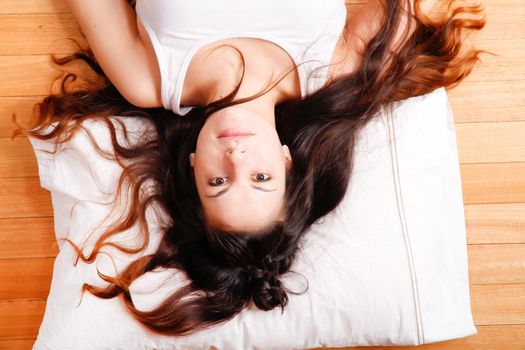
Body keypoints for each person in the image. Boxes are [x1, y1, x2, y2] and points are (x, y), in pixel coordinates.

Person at [16, 0, 485, 337]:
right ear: (286, 160)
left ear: (193, 166)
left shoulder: (150, 80)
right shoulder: (335, 70)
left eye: (217, 183)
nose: (236, 159)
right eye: (261, 179)